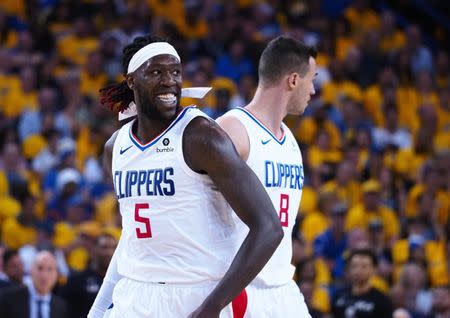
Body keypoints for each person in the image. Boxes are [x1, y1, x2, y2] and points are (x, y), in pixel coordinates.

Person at [88, 35, 283, 318]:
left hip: (198, 293)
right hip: (135, 292)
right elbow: (131, 238)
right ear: (132, 81)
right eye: (156, 72)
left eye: (175, 72)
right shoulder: (115, 148)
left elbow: (268, 227)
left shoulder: (202, 137)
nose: (169, 80)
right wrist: (96, 310)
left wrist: (213, 306)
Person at [217, 35, 317, 317]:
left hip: (283, 287)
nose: (314, 89)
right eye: (312, 79)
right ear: (294, 80)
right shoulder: (233, 129)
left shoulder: (291, 141)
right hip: (242, 292)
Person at [60, 232, 117, 318]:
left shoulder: (122, 282)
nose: (109, 252)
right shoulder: (76, 281)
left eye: (113, 248)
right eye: (104, 247)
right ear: (94, 249)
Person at [0, 250, 68, 318]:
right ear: (31, 270)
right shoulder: (9, 298)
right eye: (40, 268)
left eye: (50, 269)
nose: (44, 275)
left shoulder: (61, 307)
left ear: (57, 275)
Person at [332, 248, 393, 318]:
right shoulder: (339, 296)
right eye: (354, 266)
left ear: (374, 270)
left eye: (364, 266)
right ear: (348, 269)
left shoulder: (382, 301)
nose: (358, 270)